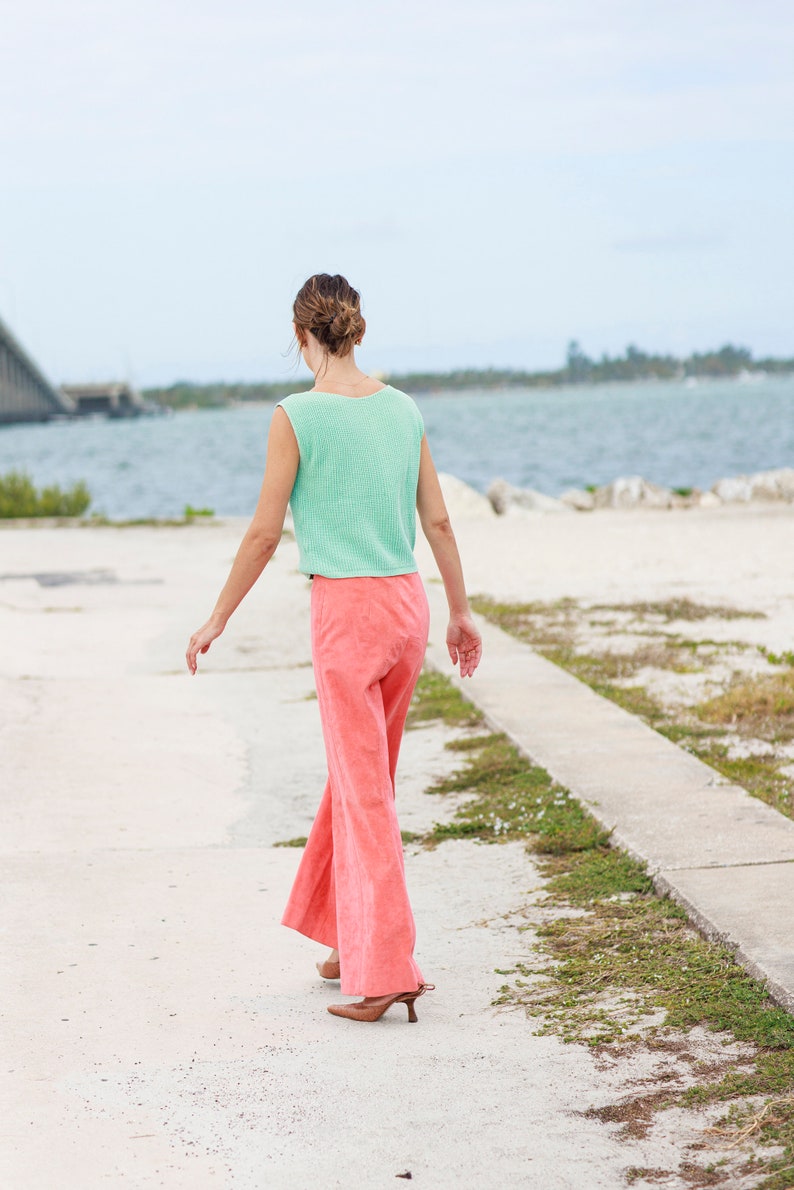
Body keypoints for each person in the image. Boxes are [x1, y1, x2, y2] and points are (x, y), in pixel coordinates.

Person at [186, 273, 482, 1023]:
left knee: (363, 792)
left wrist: (217, 616)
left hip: (346, 617)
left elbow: (262, 531)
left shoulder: (296, 415)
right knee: (363, 780)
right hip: (406, 605)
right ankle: (348, 938)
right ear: (357, 328)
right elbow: (440, 523)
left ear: (301, 335)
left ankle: (387, 971)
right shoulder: (403, 408)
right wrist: (459, 611)